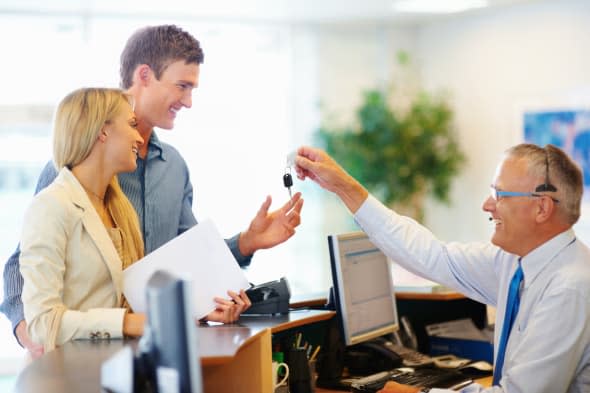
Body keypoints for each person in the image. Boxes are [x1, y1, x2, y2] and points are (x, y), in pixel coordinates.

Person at [2, 25, 303, 358]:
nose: (188, 102)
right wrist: (31, 333)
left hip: (144, 354)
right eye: (182, 86)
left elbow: (189, 260)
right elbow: (23, 268)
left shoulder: (174, 167)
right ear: (144, 75)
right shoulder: (72, 172)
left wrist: (247, 242)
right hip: (78, 358)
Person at [294, 144, 590, 393]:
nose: (487, 205)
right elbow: (432, 255)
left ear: (542, 208)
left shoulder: (569, 287)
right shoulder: (516, 262)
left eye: (500, 194)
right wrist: (343, 187)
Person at [20, 87, 148, 351]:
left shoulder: (120, 208)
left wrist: (198, 311)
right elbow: (42, 322)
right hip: (69, 377)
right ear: (102, 131)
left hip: (117, 369)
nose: (139, 138)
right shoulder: (51, 206)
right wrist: (124, 324)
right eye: (132, 125)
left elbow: (129, 300)